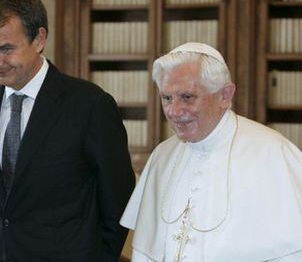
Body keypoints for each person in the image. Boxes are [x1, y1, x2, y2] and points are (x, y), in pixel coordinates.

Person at [0, 0, 135, 261]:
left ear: (39, 39)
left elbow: (118, 198)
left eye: (6, 49)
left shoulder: (90, 105)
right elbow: (1, 199)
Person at [120, 42, 302, 262]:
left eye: (187, 97)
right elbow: (145, 252)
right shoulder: (162, 156)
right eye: (167, 98)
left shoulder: (273, 153)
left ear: (225, 95)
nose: (174, 111)